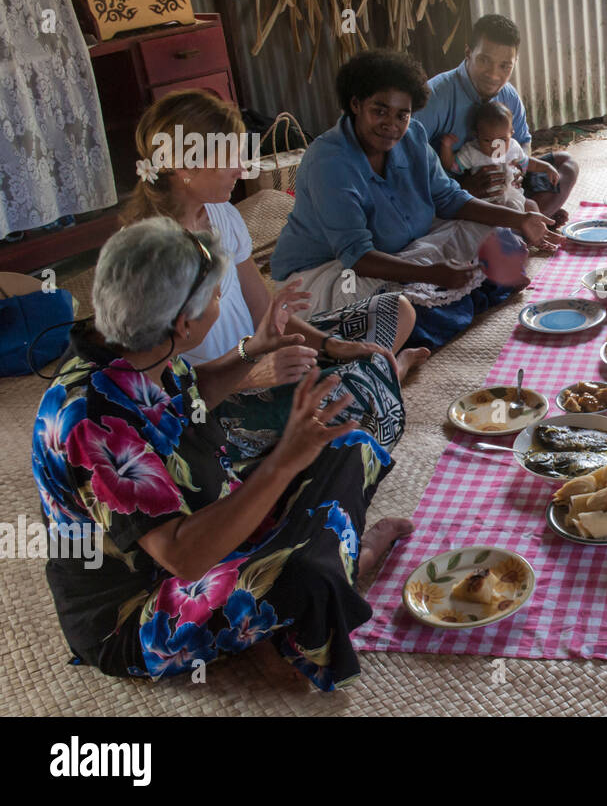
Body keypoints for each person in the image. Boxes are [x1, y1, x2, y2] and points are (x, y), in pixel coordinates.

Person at [33, 218, 413, 690]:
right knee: (303, 576)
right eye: (216, 296)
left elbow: (193, 398)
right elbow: (182, 557)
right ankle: (351, 558)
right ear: (182, 324)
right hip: (144, 603)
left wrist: (255, 350)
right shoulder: (89, 423)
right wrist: (281, 462)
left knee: (344, 441)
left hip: (205, 508)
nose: (221, 302)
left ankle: (333, 553)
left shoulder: (132, 343)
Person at [123, 89, 426, 459]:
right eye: (229, 158)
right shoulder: (150, 256)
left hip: (261, 356)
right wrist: (251, 372)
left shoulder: (222, 214)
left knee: (398, 310)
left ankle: (377, 372)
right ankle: (388, 373)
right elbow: (161, 385)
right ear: (186, 169)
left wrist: (329, 345)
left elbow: (265, 313)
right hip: (220, 403)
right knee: (348, 398)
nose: (242, 169)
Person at [270, 49, 560, 349]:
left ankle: (450, 296)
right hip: (329, 273)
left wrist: (522, 219)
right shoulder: (329, 162)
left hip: (403, 248)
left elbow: (449, 198)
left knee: (501, 231)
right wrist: (431, 273)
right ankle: (440, 305)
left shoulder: (412, 137)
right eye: (379, 111)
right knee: (396, 306)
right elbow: (356, 256)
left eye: (402, 115)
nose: (391, 124)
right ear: (355, 104)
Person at [414, 13, 578, 226]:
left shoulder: (509, 95)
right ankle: (524, 225)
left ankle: (527, 221)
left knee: (566, 164)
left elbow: (523, 142)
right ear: (468, 53)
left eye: (504, 66)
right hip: (456, 194)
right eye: (484, 60)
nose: (493, 74)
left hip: (507, 185)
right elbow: (409, 161)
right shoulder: (434, 96)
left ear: (515, 63)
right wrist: (461, 185)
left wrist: (518, 171)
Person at [441, 100, 534, 215]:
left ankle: (542, 231)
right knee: (504, 216)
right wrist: (446, 147)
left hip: (514, 195)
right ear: (477, 135)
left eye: (502, 140)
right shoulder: (472, 151)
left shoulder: (514, 146)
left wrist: (546, 168)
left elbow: (526, 162)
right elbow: (452, 166)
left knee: (532, 206)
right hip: (489, 201)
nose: (495, 147)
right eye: (487, 140)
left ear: (511, 132)